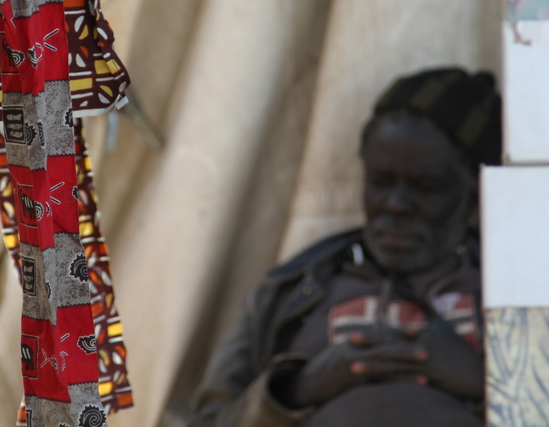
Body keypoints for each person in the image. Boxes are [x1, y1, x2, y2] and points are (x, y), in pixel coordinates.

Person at [189, 67, 501, 427]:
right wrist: (295, 390)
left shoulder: (514, 294)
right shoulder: (292, 290)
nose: (396, 204)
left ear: (474, 197)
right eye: (381, 182)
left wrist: (486, 386)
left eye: (425, 186)